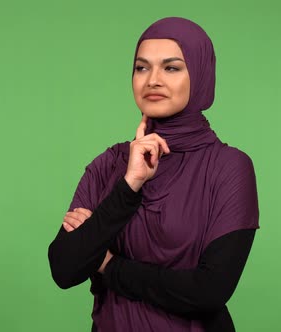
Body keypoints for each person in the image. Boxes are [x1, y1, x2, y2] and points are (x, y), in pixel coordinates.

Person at [48, 17, 259, 332]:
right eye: (141, 67)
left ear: (200, 76)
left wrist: (109, 265)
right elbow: (65, 270)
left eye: (171, 68)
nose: (152, 80)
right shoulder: (109, 165)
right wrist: (129, 185)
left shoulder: (229, 167)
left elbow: (209, 291)